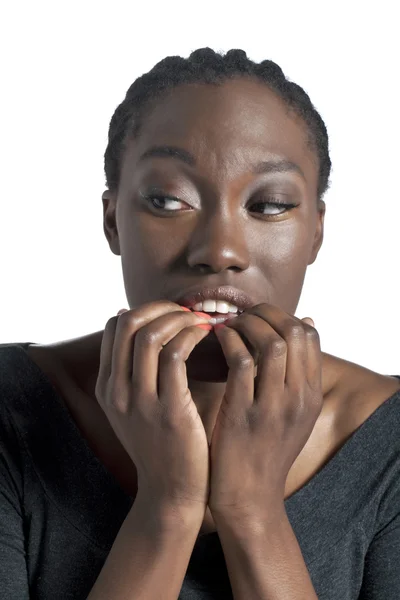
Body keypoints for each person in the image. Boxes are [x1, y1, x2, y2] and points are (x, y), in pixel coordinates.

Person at [1, 47, 400, 600]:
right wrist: (168, 504)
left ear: (316, 233)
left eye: (268, 205)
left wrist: (253, 513)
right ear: (112, 220)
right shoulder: (10, 411)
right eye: (168, 199)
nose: (219, 250)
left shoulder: (389, 444)